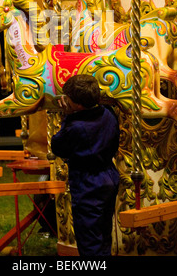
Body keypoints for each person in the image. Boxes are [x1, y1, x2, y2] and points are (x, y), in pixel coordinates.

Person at [51, 74, 120, 257]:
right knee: (103, 234)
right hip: (109, 176)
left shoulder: (77, 126)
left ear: (78, 105)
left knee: (90, 241)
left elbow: (58, 146)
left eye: (69, 100)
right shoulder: (108, 113)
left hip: (89, 183)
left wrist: (67, 117)